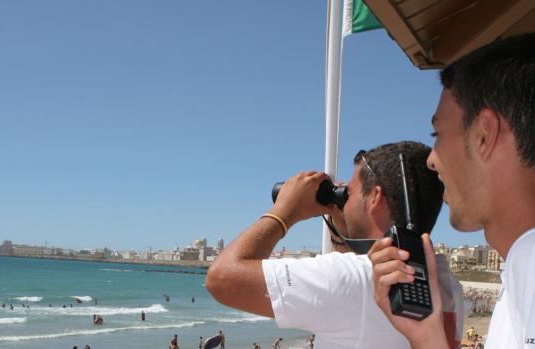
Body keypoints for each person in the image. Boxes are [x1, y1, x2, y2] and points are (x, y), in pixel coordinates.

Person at [205, 141, 464, 348]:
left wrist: (284, 212)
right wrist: (342, 227)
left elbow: (222, 279)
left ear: (375, 198)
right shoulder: (446, 283)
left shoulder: (357, 279)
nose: (343, 201)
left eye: (348, 193)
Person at [368, 32, 535, 349]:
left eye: (438, 133)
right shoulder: (519, 276)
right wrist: (427, 335)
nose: (431, 160)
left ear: (484, 135)